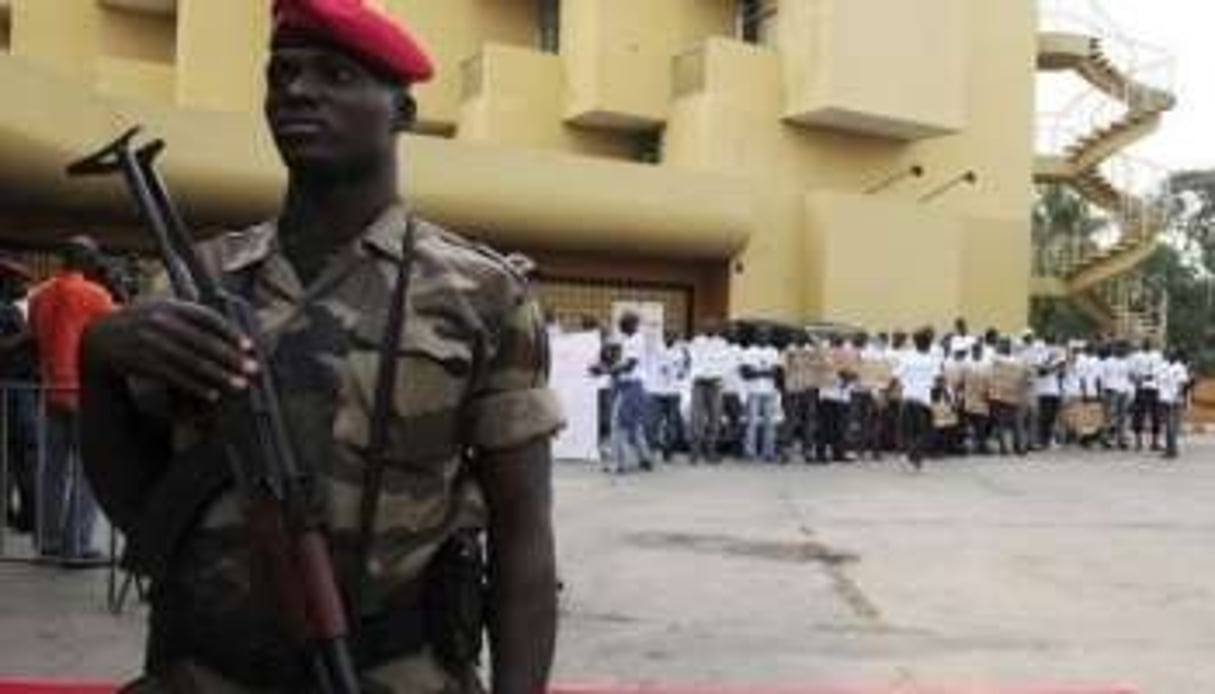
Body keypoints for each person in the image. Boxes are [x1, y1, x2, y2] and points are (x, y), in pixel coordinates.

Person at [79, 2, 562, 691]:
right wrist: (97, 362)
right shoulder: (198, 280)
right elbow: (140, 506)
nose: (297, 91)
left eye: (335, 74)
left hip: (392, 672)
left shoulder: (481, 295)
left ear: (402, 112)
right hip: (200, 672)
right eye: (282, 75)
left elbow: (523, 540)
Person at [28, 236, 115, 565]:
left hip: (50, 391)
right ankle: (76, 546)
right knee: (87, 472)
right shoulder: (95, 294)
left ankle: (48, 542)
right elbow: (116, 333)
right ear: (87, 261)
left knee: (51, 471)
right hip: (85, 394)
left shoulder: (39, 295)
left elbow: (36, 336)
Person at [0, 260, 38, 534]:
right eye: (20, 282)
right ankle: (28, 516)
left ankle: (20, 514)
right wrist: (28, 335)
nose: (25, 287)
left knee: (17, 455)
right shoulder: (4, 310)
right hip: (14, 390)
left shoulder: (10, 310)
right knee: (24, 453)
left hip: (18, 388)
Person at [600, 312, 654, 473]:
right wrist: (606, 358)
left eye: (624, 323)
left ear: (633, 324)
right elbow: (615, 359)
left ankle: (619, 464)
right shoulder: (626, 339)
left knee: (618, 425)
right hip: (624, 384)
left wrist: (607, 370)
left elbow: (629, 366)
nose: (620, 325)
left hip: (632, 386)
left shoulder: (637, 340)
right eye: (620, 323)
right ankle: (646, 459)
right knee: (634, 426)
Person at [893, 328, 941, 469]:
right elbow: (938, 380)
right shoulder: (932, 359)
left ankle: (915, 460)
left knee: (908, 431)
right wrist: (940, 395)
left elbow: (895, 377)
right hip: (922, 402)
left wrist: (886, 392)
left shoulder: (907, 356)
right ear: (928, 344)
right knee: (925, 432)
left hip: (907, 399)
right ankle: (910, 455)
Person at [740, 327, 781, 463]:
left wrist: (757, 372)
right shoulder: (749, 351)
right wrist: (765, 372)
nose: (763, 336)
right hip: (753, 392)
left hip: (770, 391)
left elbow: (776, 373)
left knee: (770, 423)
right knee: (751, 423)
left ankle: (768, 453)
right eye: (760, 334)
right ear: (755, 336)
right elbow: (746, 374)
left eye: (765, 334)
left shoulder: (773, 351)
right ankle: (750, 452)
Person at [687, 327, 728, 464]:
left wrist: (719, 377)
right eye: (707, 324)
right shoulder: (696, 341)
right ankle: (694, 453)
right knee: (696, 419)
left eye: (713, 324)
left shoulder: (722, 343)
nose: (710, 326)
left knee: (715, 420)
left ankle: (710, 452)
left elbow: (725, 364)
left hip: (715, 384)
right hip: (699, 384)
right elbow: (692, 359)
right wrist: (696, 375)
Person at [649, 334, 689, 462]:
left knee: (672, 424)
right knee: (654, 422)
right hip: (657, 391)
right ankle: (653, 449)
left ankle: (668, 450)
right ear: (663, 337)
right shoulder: (656, 349)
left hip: (673, 392)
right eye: (667, 336)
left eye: (672, 336)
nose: (669, 338)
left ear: (676, 339)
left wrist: (682, 369)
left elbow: (683, 373)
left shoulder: (679, 353)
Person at [781, 335, 819, 463]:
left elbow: (818, 368)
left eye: (804, 338)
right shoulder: (788, 351)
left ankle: (808, 451)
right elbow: (782, 369)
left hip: (808, 389)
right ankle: (786, 451)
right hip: (792, 390)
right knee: (791, 420)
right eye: (798, 338)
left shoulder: (812, 352)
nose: (801, 340)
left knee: (809, 421)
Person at [1129, 338, 1164, 451]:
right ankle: (1138, 442)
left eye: (1149, 343)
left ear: (1152, 344)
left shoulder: (1157, 355)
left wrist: (1156, 379)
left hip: (1154, 388)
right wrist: (1138, 379)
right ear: (1142, 344)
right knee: (1139, 415)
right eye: (1145, 343)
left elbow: (1161, 371)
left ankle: (1155, 442)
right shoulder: (1136, 356)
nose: (1147, 344)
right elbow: (1131, 373)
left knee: (1156, 415)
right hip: (1141, 388)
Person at [1155, 349, 1191, 460]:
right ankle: (1170, 449)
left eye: (1173, 354)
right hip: (1163, 398)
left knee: (1172, 425)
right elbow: (1158, 380)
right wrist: (1159, 393)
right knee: (1167, 425)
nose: (1171, 355)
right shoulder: (1162, 366)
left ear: (1176, 356)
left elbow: (1182, 383)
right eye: (1169, 353)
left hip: (1175, 400)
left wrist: (1178, 395)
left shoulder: (1180, 367)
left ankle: (1172, 450)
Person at [1101, 341, 1133, 450]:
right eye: (1121, 348)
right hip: (1111, 391)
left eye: (1125, 349)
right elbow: (1102, 377)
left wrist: (1130, 390)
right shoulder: (1108, 361)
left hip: (1124, 391)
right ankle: (1108, 440)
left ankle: (1122, 440)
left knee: (1123, 417)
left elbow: (1129, 377)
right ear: (1116, 349)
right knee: (1110, 416)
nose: (1123, 351)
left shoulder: (1127, 362)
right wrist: (1104, 391)